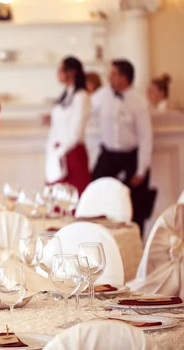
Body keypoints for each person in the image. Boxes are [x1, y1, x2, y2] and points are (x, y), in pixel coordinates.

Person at [91, 59, 154, 231]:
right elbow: (86, 107)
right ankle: (99, 235)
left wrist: (141, 170)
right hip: (108, 155)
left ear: (124, 77)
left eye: (113, 73)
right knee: (95, 192)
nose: (109, 77)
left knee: (135, 203)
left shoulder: (139, 101)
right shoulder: (103, 94)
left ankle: (134, 244)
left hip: (131, 156)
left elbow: (145, 137)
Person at [45, 56, 91, 195]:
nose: (58, 73)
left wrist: (62, 151)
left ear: (72, 72)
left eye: (61, 69)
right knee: (57, 195)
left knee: (74, 194)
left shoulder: (81, 96)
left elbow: (76, 129)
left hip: (72, 152)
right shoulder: (65, 95)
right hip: (58, 151)